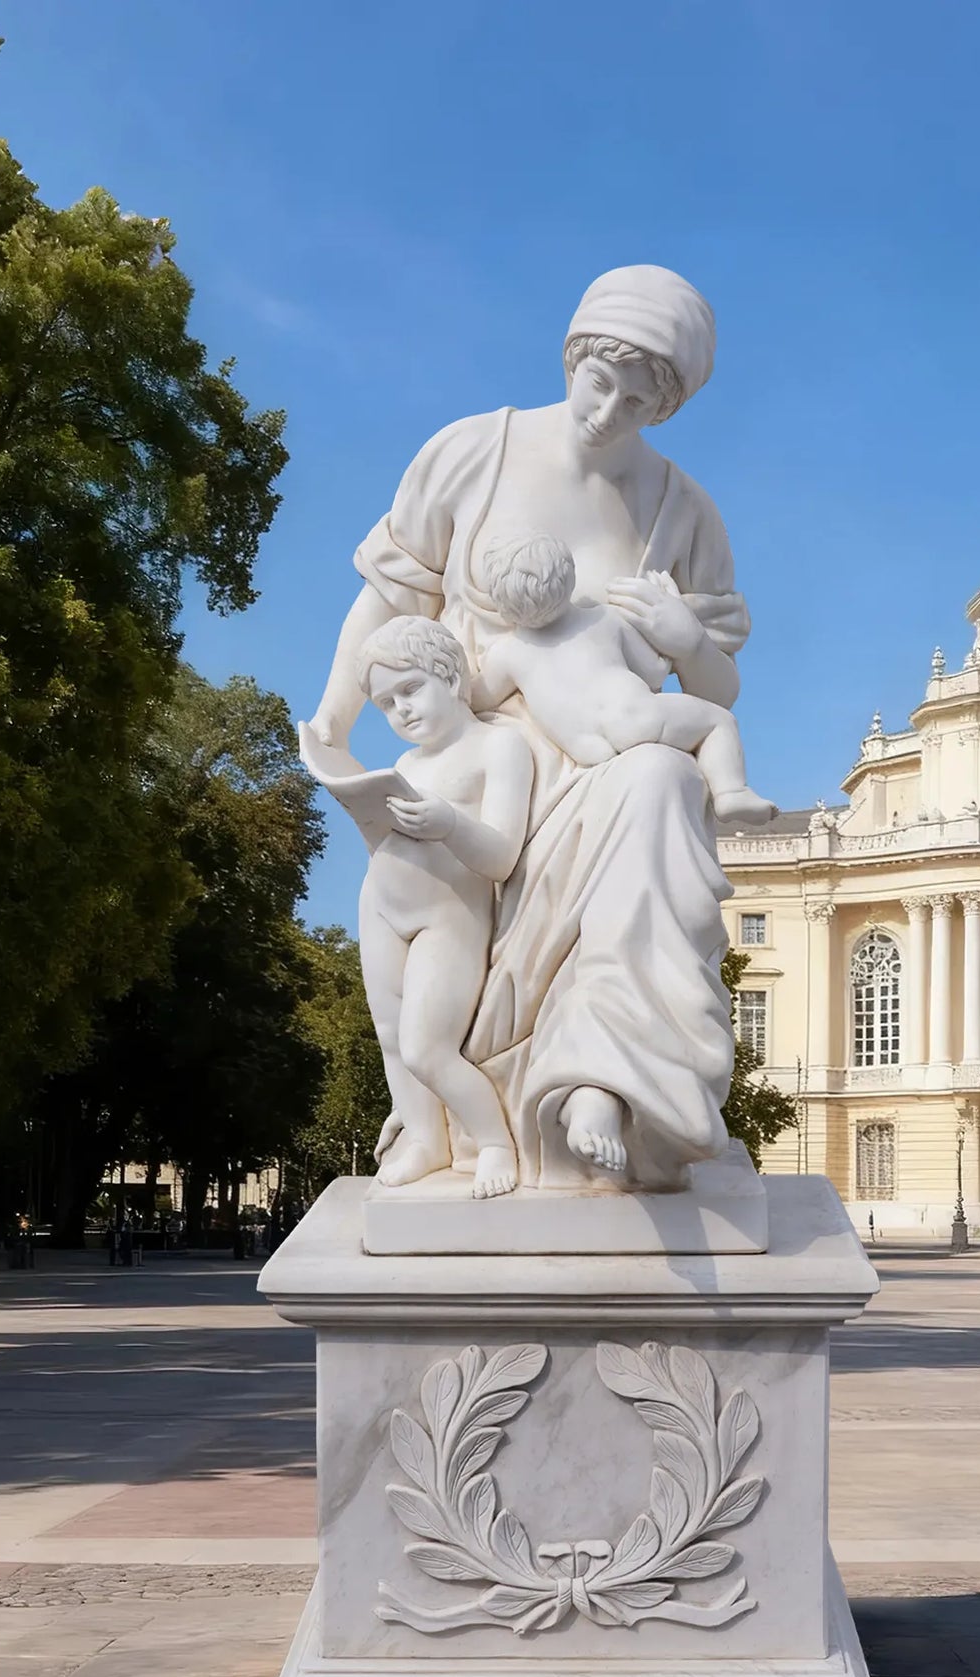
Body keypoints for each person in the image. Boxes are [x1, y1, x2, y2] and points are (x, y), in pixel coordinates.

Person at [309, 267, 748, 1190]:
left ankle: (606, 1080)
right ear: (574, 357)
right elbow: (390, 602)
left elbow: (717, 687)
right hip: (478, 768)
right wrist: (333, 719)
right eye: (601, 381)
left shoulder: (684, 514)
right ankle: (451, 1119)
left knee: (664, 781)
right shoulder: (474, 452)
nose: (608, 410)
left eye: (637, 400)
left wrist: (681, 639)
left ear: (664, 407)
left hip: (610, 761)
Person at [356, 616, 536, 1197]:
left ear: (450, 676)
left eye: (410, 689)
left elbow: (503, 855)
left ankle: (493, 1142)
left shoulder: (499, 746)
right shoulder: (405, 766)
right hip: (382, 905)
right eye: (386, 703)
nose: (400, 711)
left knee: (427, 1047)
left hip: (449, 915)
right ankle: (427, 1139)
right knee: (389, 1036)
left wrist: (449, 822)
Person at [474, 534, 776, 826]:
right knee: (719, 722)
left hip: (586, 749)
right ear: (569, 578)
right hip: (634, 716)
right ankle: (730, 792)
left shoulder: (506, 653)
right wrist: (671, 647)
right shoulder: (603, 619)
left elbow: (478, 696)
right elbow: (653, 671)